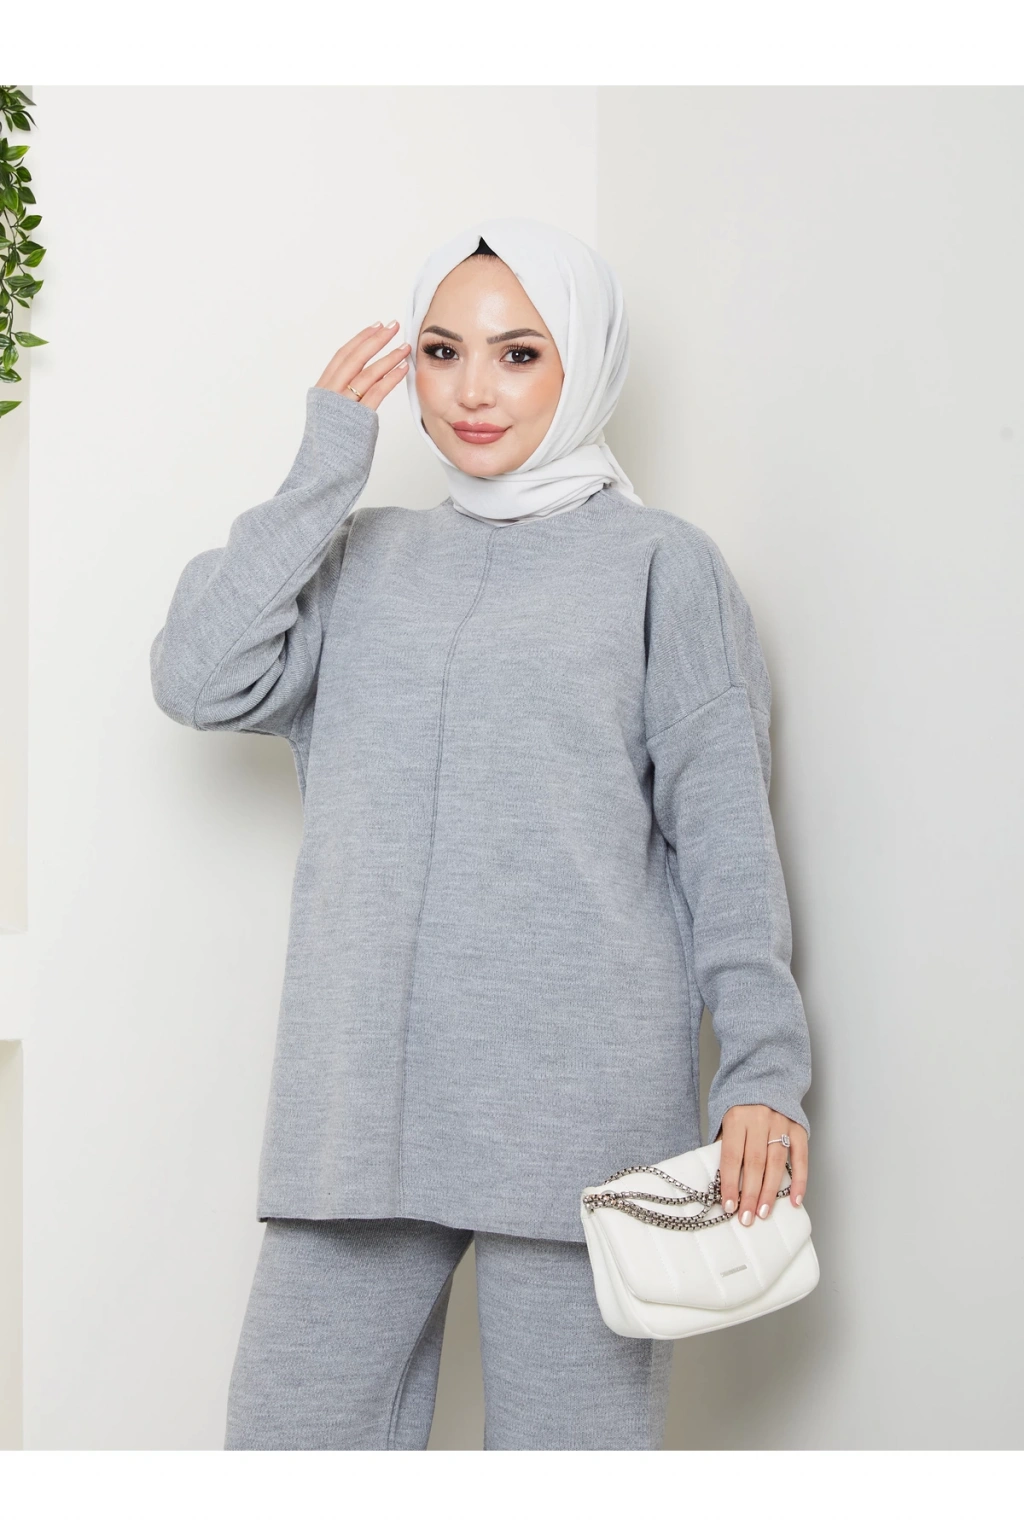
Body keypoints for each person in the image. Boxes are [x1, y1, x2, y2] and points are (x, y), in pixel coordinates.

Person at [150, 216, 813, 1451]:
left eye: (517, 354)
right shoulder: (361, 559)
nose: (470, 391)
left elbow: (725, 842)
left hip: (579, 1113)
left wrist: (762, 1071)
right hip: (361, 1106)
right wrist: (322, 473)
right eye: (442, 351)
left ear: (584, 363)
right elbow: (196, 678)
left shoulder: (662, 566)